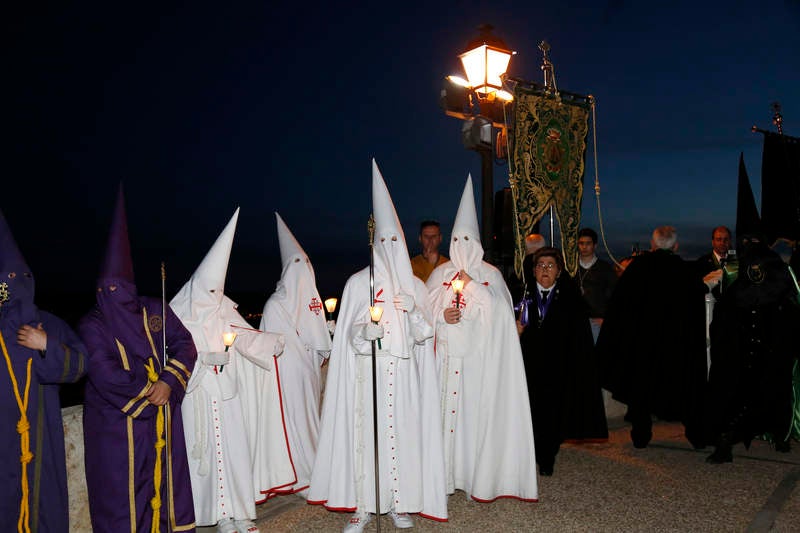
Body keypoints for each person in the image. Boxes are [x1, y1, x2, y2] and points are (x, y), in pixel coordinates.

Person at [308, 160, 447, 532]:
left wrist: (413, 312)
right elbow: (347, 336)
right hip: (366, 372)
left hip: (400, 374)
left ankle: (400, 503)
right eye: (381, 242)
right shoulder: (358, 283)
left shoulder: (414, 284)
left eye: (393, 242)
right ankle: (365, 505)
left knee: (400, 435)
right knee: (365, 438)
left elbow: (424, 335)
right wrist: (359, 333)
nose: (387, 248)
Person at [79, 187, 197, 532]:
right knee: (123, 502)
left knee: (165, 494)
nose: (115, 296)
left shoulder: (154, 310)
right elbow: (103, 371)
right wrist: (150, 390)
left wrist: (169, 381)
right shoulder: (92, 324)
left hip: (162, 422)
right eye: (108, 290)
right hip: (116, 430)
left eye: (121, 289)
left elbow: (184, 345)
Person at [171, 208, 285, 533]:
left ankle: (237, 510)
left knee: (234, 452)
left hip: (227, 395)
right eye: (210, 292)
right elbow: (172, 354)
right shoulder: (179, 315)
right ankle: (215, 514)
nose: (215, 298)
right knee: (204, 455)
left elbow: (244, 336)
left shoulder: (223, 308)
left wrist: (273, 342)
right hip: (198, 397)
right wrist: (202, 362)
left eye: (218, 292)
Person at [426, 175, 538, 502]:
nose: (461, 246)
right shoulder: (440, 274)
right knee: (446, 419)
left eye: (467, 240)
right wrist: (440, 318)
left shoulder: (490, 274)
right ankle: (443, 477)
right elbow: (424, 313)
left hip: (478, 363)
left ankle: (476, 477)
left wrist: (472, 285)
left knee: (473, 421)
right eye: (456, 240)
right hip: (447, 361)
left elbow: (503, 317)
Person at [0, 209, 87, 533]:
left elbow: (79, 366)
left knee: (42, 509)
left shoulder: (48, 324)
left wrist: (47, 345)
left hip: (39, 440)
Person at [596, 226, 707, 449]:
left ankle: (641, 434)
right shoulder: (685, 271)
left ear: (652, 245)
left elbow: (620, 306)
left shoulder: (638, 269)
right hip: (676, 344)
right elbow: (697, 307)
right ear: (675, 246)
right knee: (682, 387)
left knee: (641, 388)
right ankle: (695, 434)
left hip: (642, 344)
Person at [705, 233, 800, 463]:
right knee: (771, 394)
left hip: (750, 355)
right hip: (768, 355)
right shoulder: (779, 286)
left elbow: (721, 323)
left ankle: (729, 443)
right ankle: (779, 438)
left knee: (743, 398)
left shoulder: (741, 288)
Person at [258, 212, 332, 498]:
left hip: (308, 374)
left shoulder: (311, 298)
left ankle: (315, 467)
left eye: (307, 264)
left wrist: (324, 339)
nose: (303, 271)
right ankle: (298, 474)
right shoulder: (276, 304)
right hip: (288, 375)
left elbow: (316, 333)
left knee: (310, 419)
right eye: (297, 265)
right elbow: (282, 341)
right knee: (294, 422)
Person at [517, 247, 608, 476]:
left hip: (558, 369)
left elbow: (579, 338)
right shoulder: (522, 295)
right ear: (534, 270)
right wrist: (514, 328)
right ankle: (533, 453)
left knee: (553, 415)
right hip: (528, 367)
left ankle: (548, 457)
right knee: (530, 413)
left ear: (558, 272)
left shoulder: (570, 298)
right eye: (540, 266)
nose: (545, 270)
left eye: (550, 266)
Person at [573, 228, 617, 343]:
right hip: (575, 321)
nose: (584, 247)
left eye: (588, 243)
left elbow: (614, 296)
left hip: (596, 322)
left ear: (595, 245)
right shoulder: (571, 268)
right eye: (581, 243)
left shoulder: (605, 268)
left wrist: (606, 319)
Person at [694, 226, 733, 298]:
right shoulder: (701, 263)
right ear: (713, 242)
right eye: (719, 239)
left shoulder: (737, 263)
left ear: (730, 241)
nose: (722, 243)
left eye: (726, 239)